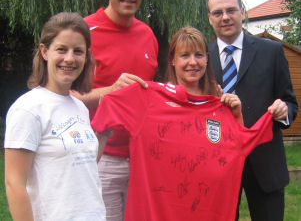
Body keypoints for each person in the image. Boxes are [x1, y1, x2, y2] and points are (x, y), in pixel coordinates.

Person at [90, 26, 274, 221]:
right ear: (172, 60)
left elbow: (238, 146)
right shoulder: (148, 98)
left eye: (199, 55)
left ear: (207, 59)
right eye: (185, 55)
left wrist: (251, 115)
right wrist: (89, 159)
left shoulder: (220, 103)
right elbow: (107, 108)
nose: (192, 62)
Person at [71, 0, 158, 221]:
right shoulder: (84, 32)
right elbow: (63, 96)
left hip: (143, 159)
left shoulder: (148, 35)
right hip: (99, 157)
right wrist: (110, 91)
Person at [206, 0, 298, 220]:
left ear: (242, 12)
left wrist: (283, 110)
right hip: (217, 166)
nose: (225, 17)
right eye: (217, 12)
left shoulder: (272, 51)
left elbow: (290, 102)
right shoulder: (201, 58)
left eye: (231, 10)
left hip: (265, 163)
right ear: (210, 18)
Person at [4, 12, 106, 221]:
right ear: (44, 51)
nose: (70, 58)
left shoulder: (79, 107)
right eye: (62, 49)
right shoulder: (28, 109)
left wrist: (103, 135)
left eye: (78, 51)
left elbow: (80, 165)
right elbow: (14, 183)